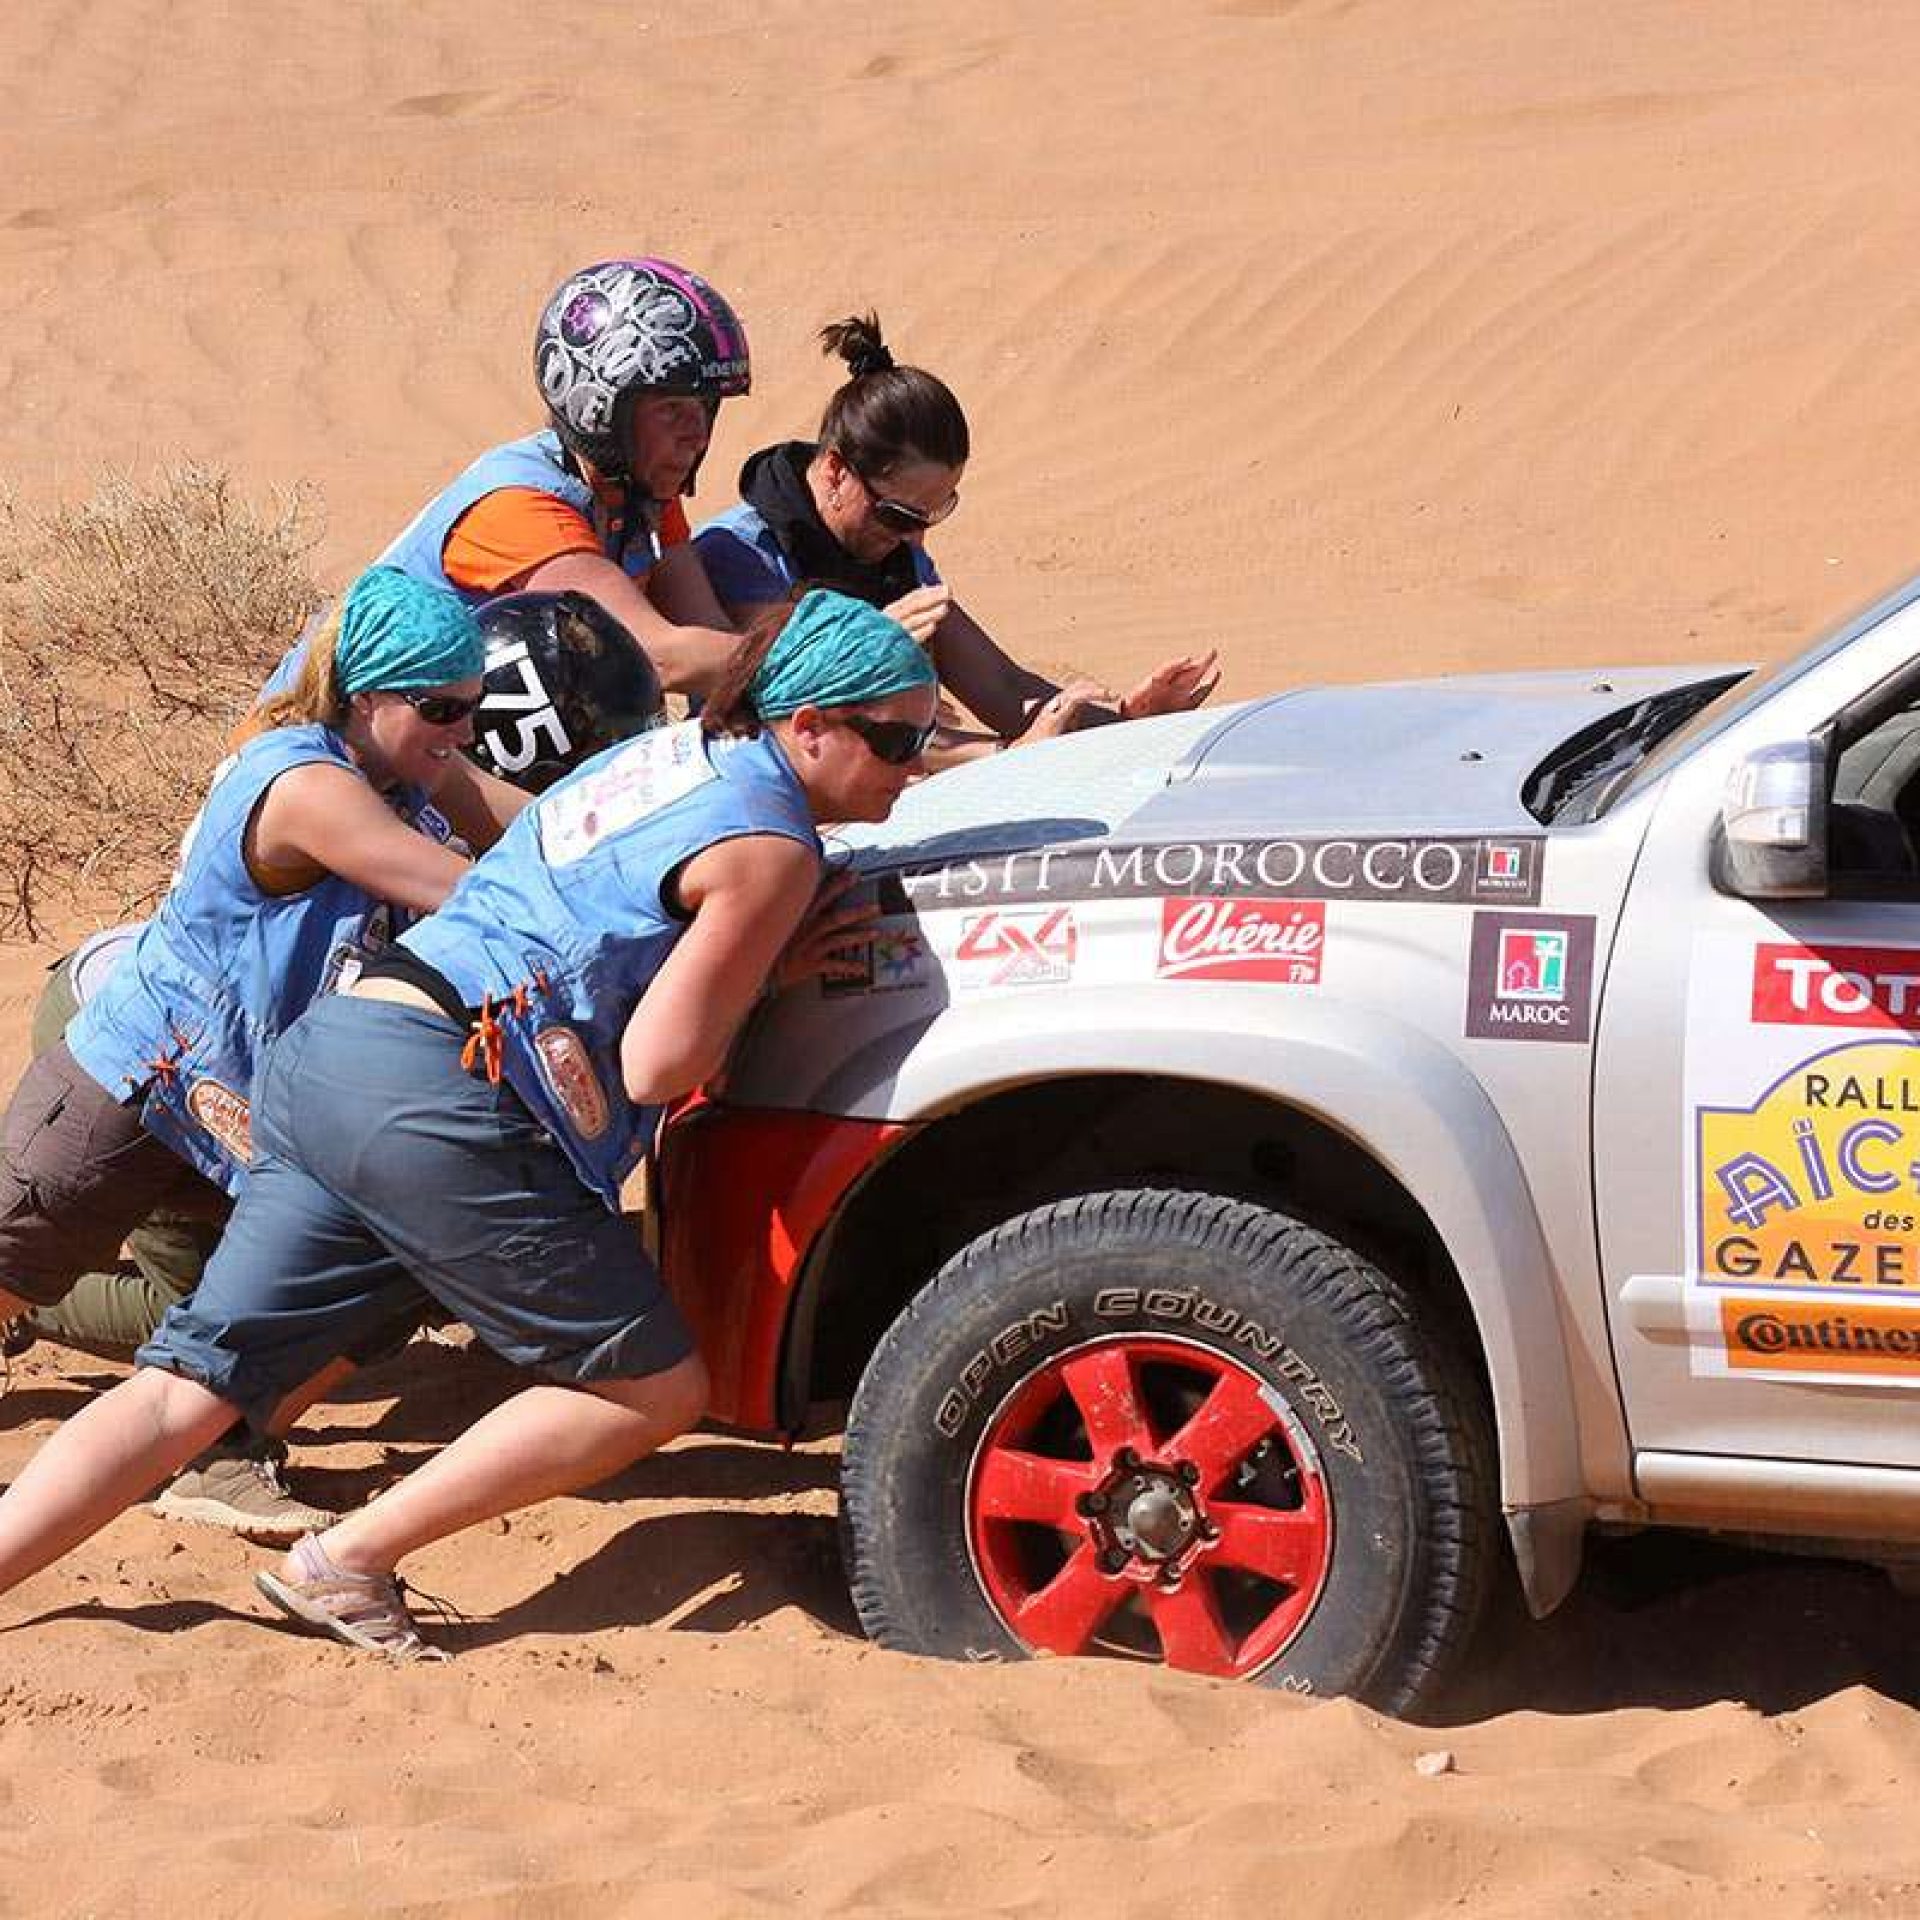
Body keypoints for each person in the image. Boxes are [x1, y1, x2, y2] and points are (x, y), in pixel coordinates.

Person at [0, 588, 937, 1662]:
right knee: (651, 1387)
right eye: (896, 740)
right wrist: (762, 971)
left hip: (340, 1053)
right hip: (431, 1097)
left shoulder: (667, 757)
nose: (912, 766)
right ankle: (346, 1560)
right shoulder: (772, 847)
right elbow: (660, 1062)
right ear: (807, 724)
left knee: (187, 1388)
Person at [1, 588, 666, 1541]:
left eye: (472, 708)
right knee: (14, 1273)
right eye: (442, 709)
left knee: (377, 1268)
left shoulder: (411, 764)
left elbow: (546, 832)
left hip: (250, 1112)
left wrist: (660, 834)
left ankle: (229, 1448)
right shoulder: (306, 786)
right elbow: (476, 895)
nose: (463, 733)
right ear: (367, 697)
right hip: (138, 1086)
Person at [695, 311, 1222, 766]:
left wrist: (1124, 725)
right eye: (900, 514)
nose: (917, 535)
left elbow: (1003, 687)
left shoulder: (893, 552)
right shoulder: (742, 553)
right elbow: (798, 716)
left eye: (936, 511)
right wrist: (1006, 756)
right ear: (836, 472)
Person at [375, 256, 751, 699]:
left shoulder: (639, 491)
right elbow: (655, 657)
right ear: (600, 410)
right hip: (363, 731)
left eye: (705, 407)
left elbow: (707, 628)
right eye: (671, 409)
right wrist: (814, 673)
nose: (698, 435)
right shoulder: (519, 508)